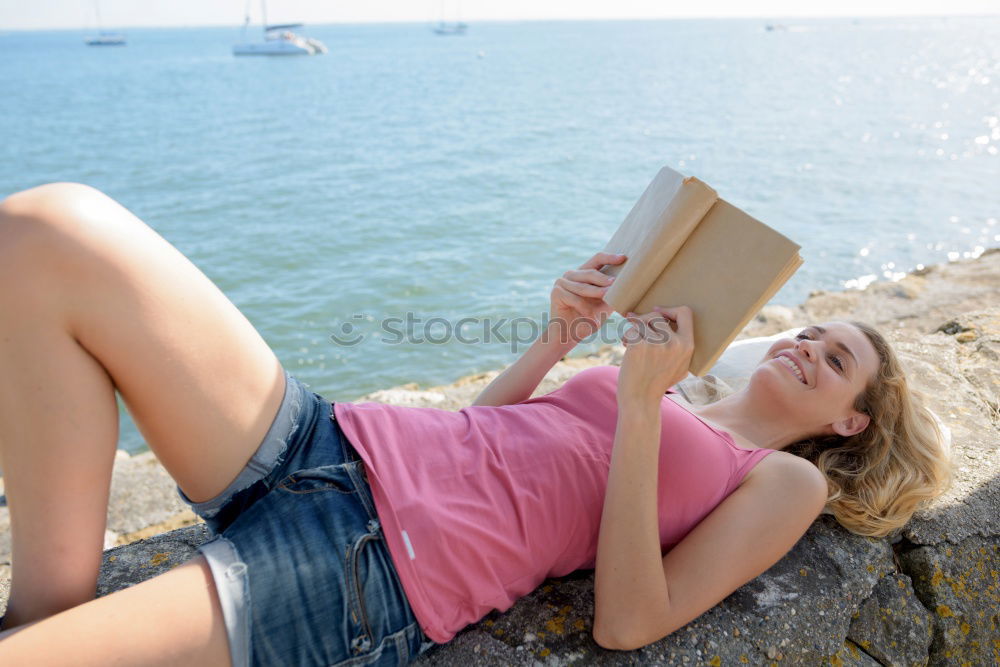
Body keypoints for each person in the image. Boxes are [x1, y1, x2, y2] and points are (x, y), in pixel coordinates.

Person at [0, 183, 953, 665]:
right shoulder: (678, 390)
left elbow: (632, 620)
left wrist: (633, 402)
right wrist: (557, 338)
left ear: (849, 417)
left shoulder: (783, 478)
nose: (808, 350)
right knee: (49, 230)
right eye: (812, 334)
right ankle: (47, 599)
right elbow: (480, 436)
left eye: (836, 361)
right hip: (331, 448)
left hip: (372, 567)